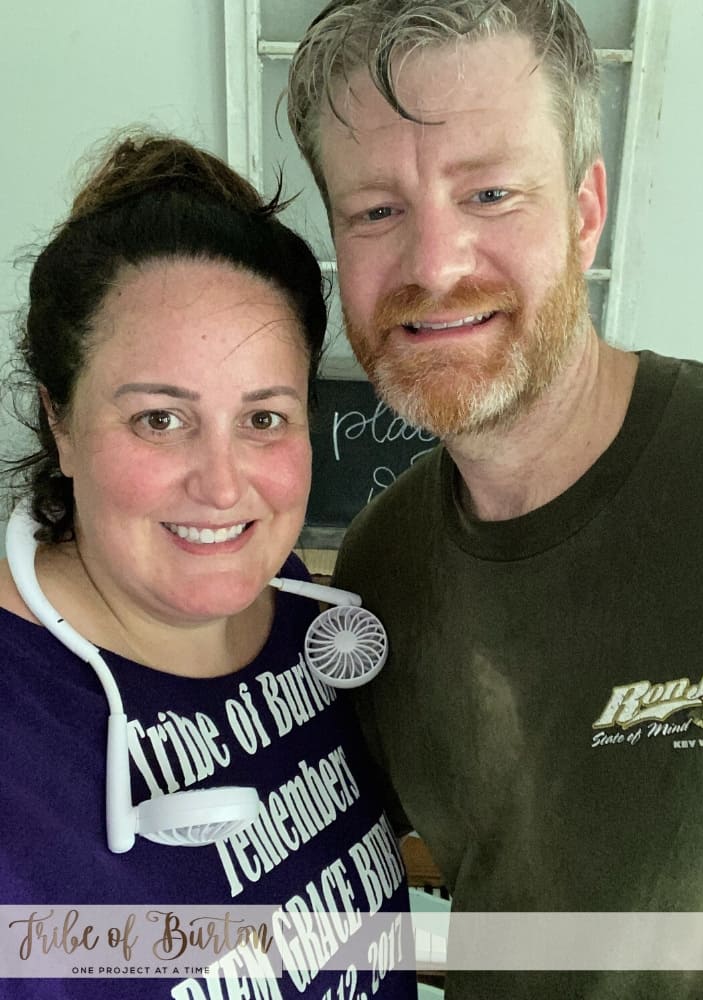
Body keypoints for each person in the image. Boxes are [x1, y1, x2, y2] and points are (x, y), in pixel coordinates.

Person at [286, 2, 703, 998]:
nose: (433, 265)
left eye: (492, 192)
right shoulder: (377, 569)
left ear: (586, 210)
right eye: (377, 211)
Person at [0, 132, 416, 999]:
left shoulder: (307, 617)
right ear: (61, 422)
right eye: (160, 419)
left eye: (263, 418)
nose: (223, 487)